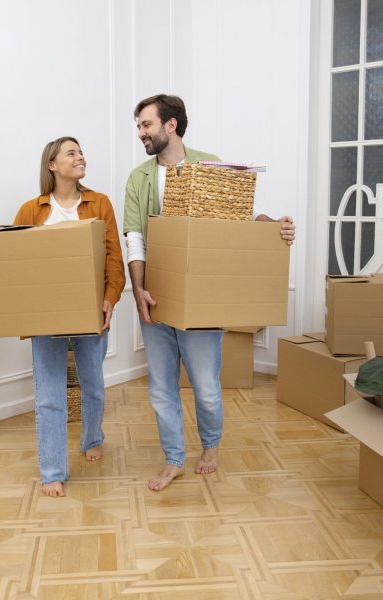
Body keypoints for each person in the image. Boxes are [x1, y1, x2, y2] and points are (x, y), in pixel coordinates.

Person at [123, 94, 295, 492]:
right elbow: (134, 236)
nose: (141, 133)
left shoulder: (210, 163)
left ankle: (211, 447)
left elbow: (238, 218)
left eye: (146, 125)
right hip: (155, 297)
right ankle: (173, 459)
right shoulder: (139, 178)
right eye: (138, 126)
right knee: (161, 387)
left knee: (205, 386)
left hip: (201, 299)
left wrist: (273, 226)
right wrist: (139, 290)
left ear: (171, 125)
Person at [14, 136, 125, 497]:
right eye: (71, 153)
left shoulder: (99, 203)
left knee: (92, 383)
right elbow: (16, 265)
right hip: (48, 318)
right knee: (49, 394)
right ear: (52, 165)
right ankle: (52, 471)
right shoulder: (32, 211)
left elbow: (113, 257)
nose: (80, 157)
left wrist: (110, 299)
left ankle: (92, 437)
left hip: (91, 312)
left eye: (81, 152)